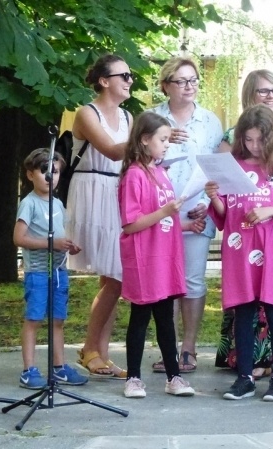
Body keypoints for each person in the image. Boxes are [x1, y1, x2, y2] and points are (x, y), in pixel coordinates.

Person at [214, 70, 273, 380]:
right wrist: (213, 196)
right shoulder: (234, 166)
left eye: (260, 139)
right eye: (248, 139)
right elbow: (225, 213)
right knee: (243, 310)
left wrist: (271, 210)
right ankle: (244, 377)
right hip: (240, 252)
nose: (254, 146)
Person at [148, 56, 223, 374]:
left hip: (197, 210)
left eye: (193, 80)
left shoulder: (209, 121)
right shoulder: (152, 118)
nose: (189, 86)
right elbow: (139, 164)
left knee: (192, 279)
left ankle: (189, 348)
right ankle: (167, 348)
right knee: (164, 281)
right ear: (166, 85)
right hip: (161, 211)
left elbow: (217, 167)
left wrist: (208, 202)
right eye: (181, 81)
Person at [117, 111, 199, 399]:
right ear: (144, 140)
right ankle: (133, 378)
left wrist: (184, 224)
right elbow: (131, 224)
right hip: (144, 258)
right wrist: (165, 212)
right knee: (140, 317)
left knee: (166, 318)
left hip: (165, 256)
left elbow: (164, 219)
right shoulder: (134, 175)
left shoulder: (161, 173)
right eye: (162, 140)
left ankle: (173, 376)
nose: (166, 145)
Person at [67, 54, 133, 379]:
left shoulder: (129, 116)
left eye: (131, 76)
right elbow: (111, 150)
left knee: (113, 278)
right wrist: (150, 136)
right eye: (124, 75)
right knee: (115, 275)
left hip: (116, 191)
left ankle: (100, 354)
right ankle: (90, 348)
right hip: (92, 190)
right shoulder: (86, 113)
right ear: (104, 81)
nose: (130, 81)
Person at [14, 148, 88, 389]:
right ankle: (29, 370)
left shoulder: (57, 203)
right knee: (34, 319)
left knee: (57, 320)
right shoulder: (29, 204)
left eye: (54, 172)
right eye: (43, 170)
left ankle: (59, 368)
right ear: (30, 175)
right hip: (38, 273)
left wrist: (68, 245)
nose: (50, 176)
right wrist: (51, 243)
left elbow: (59, 235)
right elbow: (19, 238)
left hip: (59, 272)